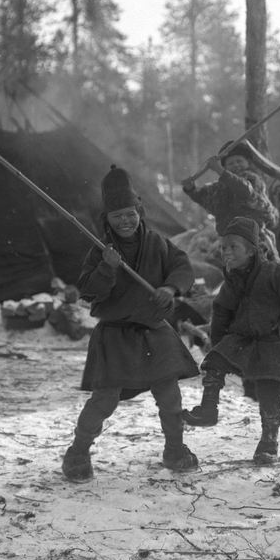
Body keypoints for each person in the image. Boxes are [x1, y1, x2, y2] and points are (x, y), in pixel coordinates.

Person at [61, 166, 201, 481]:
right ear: (107, 220)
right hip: (116, 334)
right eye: (117, 216)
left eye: (130, 214)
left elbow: (182, 266)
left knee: (169, 394)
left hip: (154, 331)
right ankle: (77, 453)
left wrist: (170, 288)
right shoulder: (100, 251)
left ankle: (174, 448)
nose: (125, 221)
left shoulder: (158, 243)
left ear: (139, 211)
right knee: (105, 399)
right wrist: (107, 269)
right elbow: (89, 290)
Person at [181, 216, 280, 465]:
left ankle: (269, 440)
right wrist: (218, 344)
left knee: (268, 390)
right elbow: (221, 312)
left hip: (271, 343)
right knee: (213, 364)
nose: (226, 252)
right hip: (243, 339)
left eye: (234, 247)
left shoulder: (274, 273)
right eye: (224, 247)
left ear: (252, 250)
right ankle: (209, 410)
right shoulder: (232, 280)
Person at [182, 141, 280, 261]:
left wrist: (220, 172)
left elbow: (244, 191)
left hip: (252, 238)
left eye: (239, 161)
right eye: (231, 163)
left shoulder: (252, 179)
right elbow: (204, 198)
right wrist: (190, 188)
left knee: (265, 268)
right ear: (226, 167)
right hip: (227, 240)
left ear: (248, 162)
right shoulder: (219, 186)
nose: (235, 165)